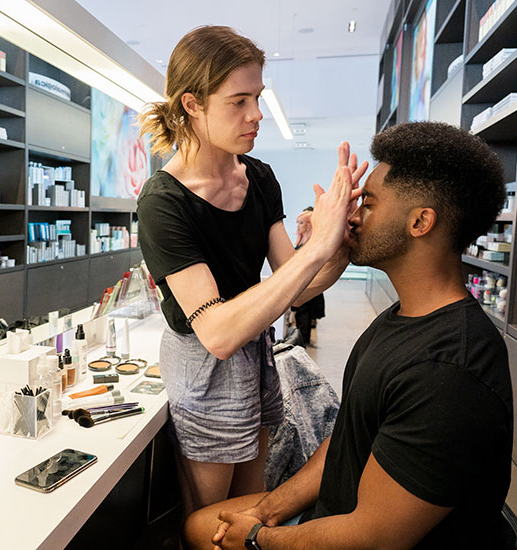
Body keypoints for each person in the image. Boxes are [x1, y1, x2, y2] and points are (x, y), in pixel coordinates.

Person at [184, 121, 513, 550]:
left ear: (420, 222)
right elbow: (345, 443)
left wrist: (259, 539)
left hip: (361, 534)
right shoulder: (399, 319)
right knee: (199, 525)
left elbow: (372, 537)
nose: (351, 217)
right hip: (341, 511)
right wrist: (266, 511)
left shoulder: (449, 370)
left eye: (367, 204)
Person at [136, 25, 368, 516]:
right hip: (205, 367)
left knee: (250, 512)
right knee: (209, 521)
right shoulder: (163, 203)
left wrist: (340, 244)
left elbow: (298, 290)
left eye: (258, 97)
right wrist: (314, 249)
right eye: (239, 101)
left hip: (256, 355)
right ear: (192, 104)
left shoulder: (258, 176)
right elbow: (217, 333)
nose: (256, 114)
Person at [290, 208, 325, 345]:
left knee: (304, 312)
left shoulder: (312, 243)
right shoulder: (301, 241)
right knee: (301, 312)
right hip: (301, 281)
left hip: (308, 282)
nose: (298, 226)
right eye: (297, 223)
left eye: (301, 223)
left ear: (309, 225)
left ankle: (302, 341)